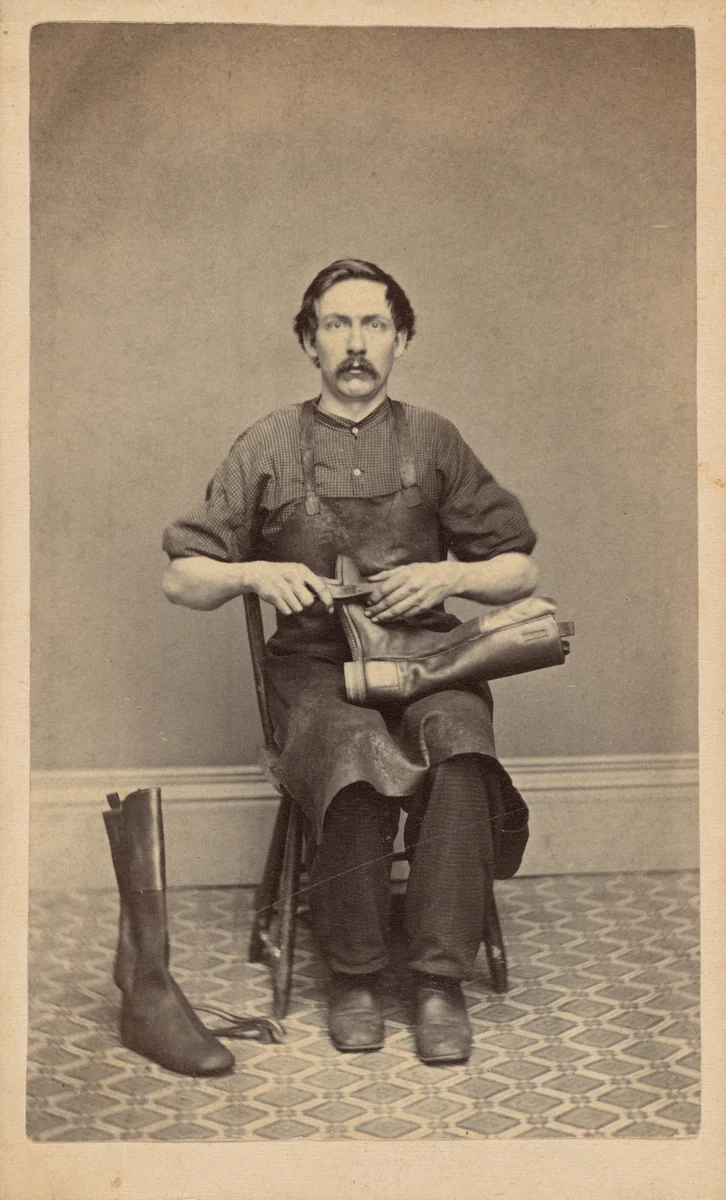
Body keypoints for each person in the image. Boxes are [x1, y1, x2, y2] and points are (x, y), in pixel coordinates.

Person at [162, 259, 538, 1065]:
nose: (357, 343)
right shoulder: (267, 442)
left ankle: (438, 981)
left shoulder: (434, 439)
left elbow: (520, 569)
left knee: (460, 743)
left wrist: (450, 577)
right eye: (337, 325)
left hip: (427, 659)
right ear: (310, 342)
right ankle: (357, 976)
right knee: (352, 746)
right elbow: (182, 578)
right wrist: (252, 573)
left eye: (374, 324)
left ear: (402, 340)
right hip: (314, 670)